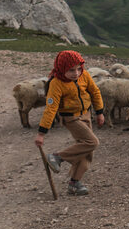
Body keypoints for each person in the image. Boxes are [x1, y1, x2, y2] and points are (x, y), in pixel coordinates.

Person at [34, 50, 104, 197]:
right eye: (71, 70)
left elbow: (95, 91)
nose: (76, 73)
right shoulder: (56, 83)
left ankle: (74, 183)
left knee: (87, 152)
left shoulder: (84, 75)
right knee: (92, 142)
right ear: (62, 69)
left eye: (79, 69)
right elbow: (51, 108)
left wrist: (99, 112)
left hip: (86, 115)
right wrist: (41, 133)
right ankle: (57, 157)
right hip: (71, 118)